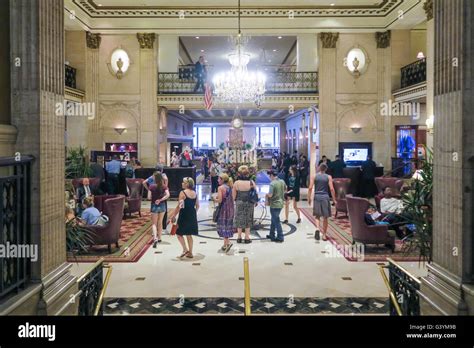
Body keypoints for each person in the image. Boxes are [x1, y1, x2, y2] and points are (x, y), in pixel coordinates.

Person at [169, 177, 199, 259]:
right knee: (189, 234)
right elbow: (198, 205)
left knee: (179, 233)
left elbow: (179, 206)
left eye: (183, 182)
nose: (182, 183)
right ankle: (190, 252)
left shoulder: (182, 193)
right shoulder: (195, 193)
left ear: (187, 184)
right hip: (192, 214)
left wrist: (173, 215)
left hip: (184, 215)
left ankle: (185, 249)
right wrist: (193, 213)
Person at [308, 163, 337, 241]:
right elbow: (331, 189)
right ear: (326, 169)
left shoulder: (314, 176)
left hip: (317, 196)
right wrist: (334, 199)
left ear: (319, 168)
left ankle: (317, 229)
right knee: (325, 217)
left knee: (317, 215)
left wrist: (309, 198)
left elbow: (310, 188)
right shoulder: (328, 177)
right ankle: (324, 235)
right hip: (325, 197)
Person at [232, 165, 256, 244]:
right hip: (249, 203)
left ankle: (239, 237)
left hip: (239, 202)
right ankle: (247, 237)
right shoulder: (251, 182)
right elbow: (255, 193)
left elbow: (234, 195)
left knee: (239, 219)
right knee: (248, 220)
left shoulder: (236, 183)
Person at [214, 173, 235, 253]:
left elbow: (220, 200)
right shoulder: (230, 187)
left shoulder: (221, 188)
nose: (217, 180)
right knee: (227, 225)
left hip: (224, 208)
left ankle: (228, 243)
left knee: (223, 225)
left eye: (219, 179)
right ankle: (225, 244)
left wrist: (214, 199)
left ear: (222, 179)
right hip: (230, 208)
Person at [149, 172, 170, 248]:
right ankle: (160, 238)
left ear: (155, 178)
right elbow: (168, 195)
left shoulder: (151, 187)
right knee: (160, 222)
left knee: (154, 223)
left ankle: (155, 238)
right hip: (162, 205)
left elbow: (149, 197)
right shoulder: (164, 186)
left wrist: (154, 198)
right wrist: (161, 199)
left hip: (154, 205)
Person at [266, 170, 286, 243]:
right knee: (273, 219)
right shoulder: (282, 181)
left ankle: (280, 236)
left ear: (271, 175)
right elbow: (285, 190)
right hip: (280, 204)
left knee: (276, 220)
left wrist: (266, 195)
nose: (269, 177)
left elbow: (270, 195)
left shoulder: (272, 184)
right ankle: (272, 234)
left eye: (269, 175)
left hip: (274, 204)